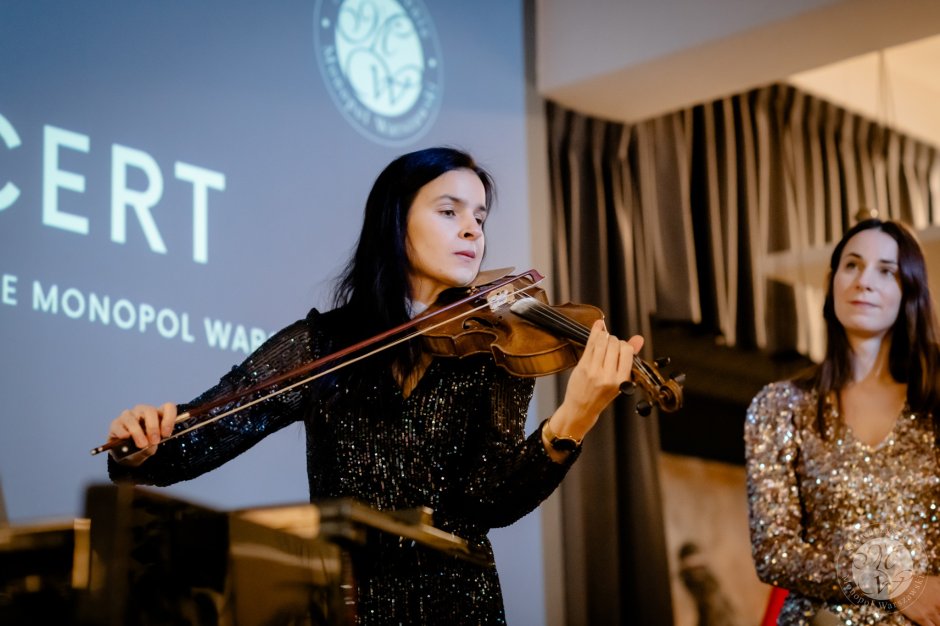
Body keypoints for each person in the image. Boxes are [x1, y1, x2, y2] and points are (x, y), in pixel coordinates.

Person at [106, 146, 643, 624]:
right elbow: (195, 440)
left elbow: (489, 502)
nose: (473, 230)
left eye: (479, 217)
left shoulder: (494, 348)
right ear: (394, 222)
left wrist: (575, 415)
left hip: (459, 607)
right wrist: (141, 445)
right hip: (344, 605)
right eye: (449, 211)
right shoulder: (323, 344)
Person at [745, 218, 940, 626]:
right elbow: (775, 553)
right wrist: (893, 583)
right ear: (832, 282)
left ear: (909, 290)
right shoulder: (780, 406)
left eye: (885, 270)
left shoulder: (934, 404)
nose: (863, 281)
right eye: (852, 265)